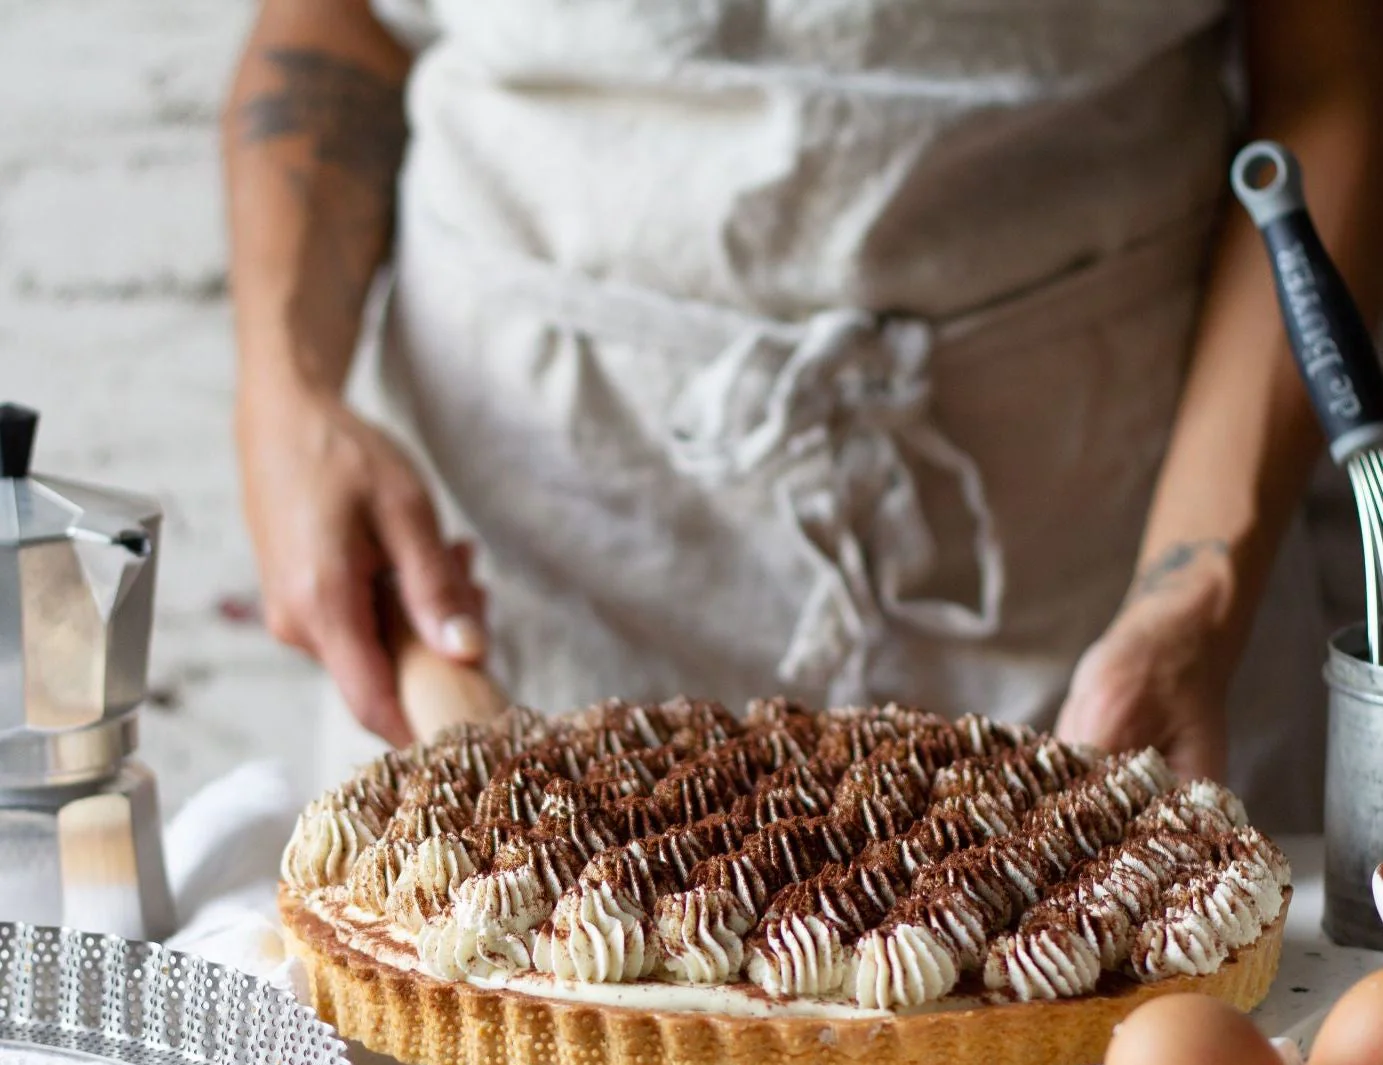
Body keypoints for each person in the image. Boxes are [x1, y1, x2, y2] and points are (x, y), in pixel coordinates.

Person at [224, 0, 1383, 832]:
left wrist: (1195, 590)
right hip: (534, 534)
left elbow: (1329, 75)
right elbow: (329, 25)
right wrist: (286, 394)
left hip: (1091, 538)